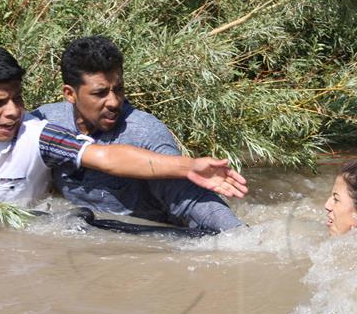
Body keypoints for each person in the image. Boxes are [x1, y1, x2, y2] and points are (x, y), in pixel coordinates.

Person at [0, 43, 248, 207]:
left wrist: (187, 166)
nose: (13, 112)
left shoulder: (39, 135)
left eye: (17, 99)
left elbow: (108, 157)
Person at [32, 36, 242, 232]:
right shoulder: (45, 124)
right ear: (70, 93)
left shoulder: (144, 132)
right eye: (100, 93)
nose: (114, 102)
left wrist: (239, 235)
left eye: (119, 89)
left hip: (148, 241)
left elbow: (189, 198)